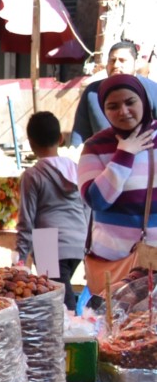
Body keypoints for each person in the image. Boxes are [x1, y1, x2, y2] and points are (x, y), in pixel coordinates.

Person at [78, 74, 157, 271]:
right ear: (103, 111)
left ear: (144, 101)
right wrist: (124, 154)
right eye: (112, 106)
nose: (123, 111)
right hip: (114, 263)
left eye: (130, 102)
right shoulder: (95, 146)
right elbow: (97, 201)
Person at [16, 111, 88, 309]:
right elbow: (87, 207)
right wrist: (89, 244)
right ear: (60, 138)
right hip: (78, 239)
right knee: (61, 297)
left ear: (30, 144)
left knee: (58, 304)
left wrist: (20, 258)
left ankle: (73, 337)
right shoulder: (76, 168)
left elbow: (26, 219)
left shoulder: (32, 175)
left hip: (47, 243)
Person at [70, 41, 157, 145]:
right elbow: (80, 134)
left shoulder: (151, 89)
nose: (116, 65)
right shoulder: (92, 92)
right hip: (102, 157)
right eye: (112, 61)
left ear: (136, 63)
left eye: (122, 60)